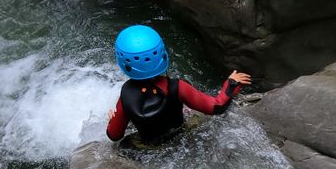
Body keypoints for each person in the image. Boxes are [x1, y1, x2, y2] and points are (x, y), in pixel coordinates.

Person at [106, 25, 251, 144]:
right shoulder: (178, 87)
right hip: (181, 139)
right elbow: (216, 107)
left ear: (124, 64)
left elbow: (114, 135)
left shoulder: (126, 95)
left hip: (150, 149)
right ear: (162, 54)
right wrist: (232, 83)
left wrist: (112, 119)